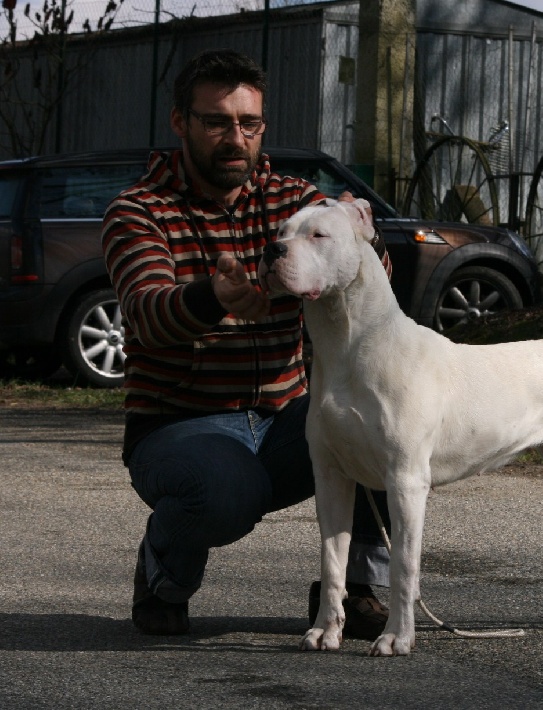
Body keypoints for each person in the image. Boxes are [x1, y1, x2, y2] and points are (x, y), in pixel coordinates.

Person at [102, 48, 392, 638]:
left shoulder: (295, 201)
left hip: (288, 419)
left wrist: (361, 235)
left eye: (250, 124)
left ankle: (355, 586)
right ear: (181, 122)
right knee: (224, 490)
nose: (237, 138)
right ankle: (164, 574)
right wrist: (212, 297)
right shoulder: (139, 211)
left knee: (388, 412)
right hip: (180, 425)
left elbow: (370, 284)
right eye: (217, 122)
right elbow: (146, 310)